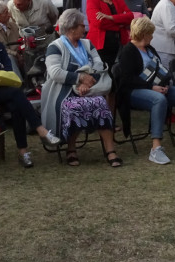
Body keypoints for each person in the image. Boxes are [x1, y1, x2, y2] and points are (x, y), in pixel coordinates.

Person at [0, 9, 62, 167]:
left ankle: (23, 152)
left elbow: (8, 68)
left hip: (4, 87)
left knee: (17, 106)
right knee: (17, 94)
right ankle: (41, 130)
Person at [115, 17, 175, 164]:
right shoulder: (128, 51)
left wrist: (165, 85)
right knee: (158, 99)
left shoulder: (150, 49)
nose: (152, 36)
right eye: (150, 33)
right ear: (143, 33)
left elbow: (162, 70)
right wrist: (152, 87)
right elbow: (127, 79)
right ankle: (156, 148)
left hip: (157, 88)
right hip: (134, 92)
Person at [41, 9, 122, 168]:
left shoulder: (87, 43)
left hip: (90, 88)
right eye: (81, 25)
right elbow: (55, 73)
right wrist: (79, 78)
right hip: (63, 92)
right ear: (71, 28)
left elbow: (98, 65)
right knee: (74, 107)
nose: (85, 27)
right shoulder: (55, 47)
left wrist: (87, 83)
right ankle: (71, 149)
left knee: (101, 104)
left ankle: (110, 150)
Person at [86, 0, 133, 68]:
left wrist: (110, 17)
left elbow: (130, 17)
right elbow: (99, 23)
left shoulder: (119, 1)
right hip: (100, 46)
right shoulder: (92, 1)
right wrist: (120, 24)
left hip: (119, 44)